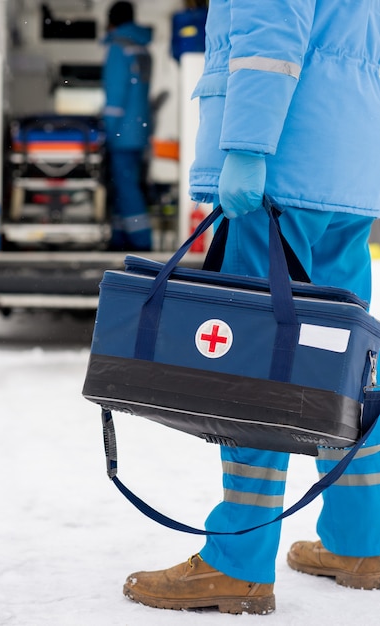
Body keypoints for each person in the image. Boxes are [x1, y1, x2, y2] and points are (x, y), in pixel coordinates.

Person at [122, 1, 380, 615]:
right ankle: (363, 542)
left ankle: (236, 562)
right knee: (343, 366)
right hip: (348, 174)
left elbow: (270, 35)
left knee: (256, 366)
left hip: (280, 168)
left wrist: (246, 145)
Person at [103, 1, 153, 251]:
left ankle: (141, 241)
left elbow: (115, 96)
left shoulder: (118, 48)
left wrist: (107, 132)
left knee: (124, 185)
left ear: (111, 22)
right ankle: (120, 237)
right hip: (139, 130)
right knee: (128, 183)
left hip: (122, 133)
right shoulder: (141, 48)